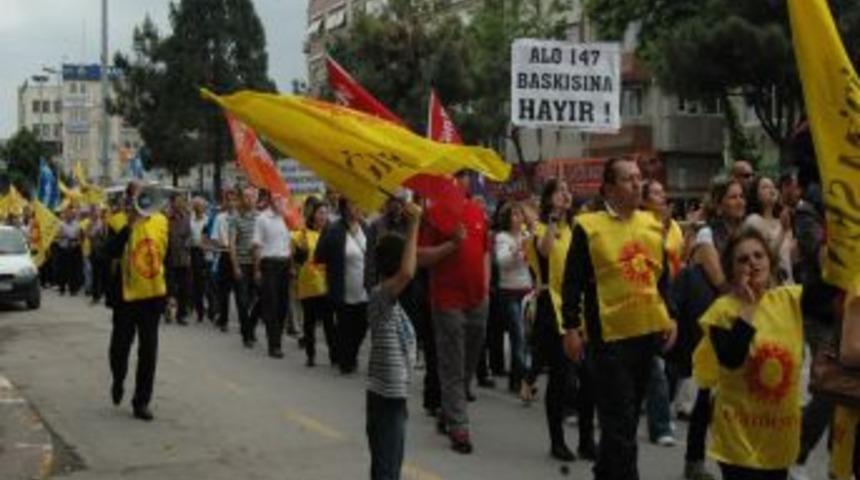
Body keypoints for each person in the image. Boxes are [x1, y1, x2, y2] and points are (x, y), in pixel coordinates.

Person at [561, 157, 678, 480]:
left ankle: (605, 472)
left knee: (623, 420)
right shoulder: (589, 226)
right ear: (609, 188)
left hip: (646, 332)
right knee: (621, 420)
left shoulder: (652, 224)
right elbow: (572, 281)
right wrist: (570, 327)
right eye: (628, 179)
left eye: (639, 178)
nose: (637, 184)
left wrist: (671, 315)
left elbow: (662, 277)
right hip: (608, 339)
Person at [692, 227, 840, 480]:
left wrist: (841, 243)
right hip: (739, 439)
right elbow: (731, 359)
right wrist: (748, 308)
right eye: (743, 259)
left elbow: (830, 287)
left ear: (770, 261)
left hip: (779, 439)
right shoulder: (722, 311)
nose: (752, 263)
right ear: (732, 269)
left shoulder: (790, 299)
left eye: (758, 256)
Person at [417, 170, 490, 454]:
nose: (462, 182)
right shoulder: (433, 214)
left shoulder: (476, 210)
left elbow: (484, 251)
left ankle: (449, 410)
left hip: (477, 300)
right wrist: (451, 245)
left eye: (464, 176)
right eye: (456, 177)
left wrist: (485, 289)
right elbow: (420, 256)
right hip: (447, 301)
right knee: (452, 363)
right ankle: (459, 426)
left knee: (469, 363)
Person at [682, 177, 747, 480]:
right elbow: (719, 280)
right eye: (732, 197)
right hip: (718, 318)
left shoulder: (748, 231)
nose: (739, 201)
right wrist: (743, 299)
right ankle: (694, 460)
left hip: (743, 315)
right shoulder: (708, 233)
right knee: (707, 392)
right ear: (719, 203)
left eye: (741, 197)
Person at [523, 178, 588, 462]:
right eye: (560, 191)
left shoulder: (575, 229)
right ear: (549, 198)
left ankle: (587, 440)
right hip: (551, 308)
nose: (566, 194)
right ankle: (557, 441)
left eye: (567, 190)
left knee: (589, 378)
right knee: (561, 377)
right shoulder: (540, 229)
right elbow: (546, 251)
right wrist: (550, 220)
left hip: (579, 307)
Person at [365, 201, 421, 480]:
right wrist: (414, 226)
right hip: (385, 400)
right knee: (387, 471)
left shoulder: (391, 303)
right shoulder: (380, 297)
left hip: (392, 398)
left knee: (388, 469)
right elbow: (408, 272)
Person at [105, 182, 169, 421]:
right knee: (119, 349)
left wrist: (167, 295)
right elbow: (108, 252)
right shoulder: (117, 221)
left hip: (152, 297)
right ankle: (118, 379)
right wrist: (128, 227)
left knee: (149, 351)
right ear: (129, 198)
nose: (142, 201)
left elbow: (166, 257)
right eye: (137, 195)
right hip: (125, 297)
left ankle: (141, 401)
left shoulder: (162, 221)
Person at [641, 180, 683, 448]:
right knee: (653, 366)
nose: (662, 196)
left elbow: (670, 269)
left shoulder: (673, 226)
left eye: (662, 191)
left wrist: (672, 313)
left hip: (667, 298)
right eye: (655, 193)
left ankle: (660, 415)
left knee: (667, 366)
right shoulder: (639, 226)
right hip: (639, 305)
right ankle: (660, 425)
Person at [316, 198, 370, 373]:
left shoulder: (365, 227)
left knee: (362, 326)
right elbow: (320, 256)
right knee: (346, 327)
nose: (358, 208)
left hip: (365, 289)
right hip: (343, 289)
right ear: (345, 208)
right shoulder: (334, 230)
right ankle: (346, 360)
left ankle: (348, 354)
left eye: (359, 204)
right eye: (354, 204)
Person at [494, 202, 533, 395]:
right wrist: (517, 250)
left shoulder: (526, 236)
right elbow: (502, 262)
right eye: (514, 214)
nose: (519, 217)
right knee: (517, 335)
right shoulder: (502, 238)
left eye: (520, 214)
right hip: (509, 291)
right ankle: (526, 376)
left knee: (525, 337)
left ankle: (515, 379)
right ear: (508, 218)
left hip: (526, 289)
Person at [293, 201, 336, 366]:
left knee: (328, 322)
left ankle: (334, 355)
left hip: (326, 284)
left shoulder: (333, 233)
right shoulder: (302, 234)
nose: (323, 216)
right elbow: (295, 257)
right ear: (313, 215)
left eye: (325, 213)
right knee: (309, 322)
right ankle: (310, 355)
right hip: (308, 284)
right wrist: (298, 255)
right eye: (320, 213)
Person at [252, 189, 292, 359]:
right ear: (270, 200)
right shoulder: (262, 218)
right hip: (269, 264)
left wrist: (291, 265)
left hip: (285, 264)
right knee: (271, 305)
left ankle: (278, 339)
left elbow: (290, 243)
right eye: (277, 199)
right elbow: (257, 245)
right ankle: (273, 345)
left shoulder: (286, 218)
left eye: (282, 199)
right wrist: (257, 269)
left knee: (283, 306)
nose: (280, 201)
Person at [744, 176, 793, 283]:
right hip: (769, 284)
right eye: (765, 187)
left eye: (773, 186)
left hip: (788, 281)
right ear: (756, 195)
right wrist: (783, 232)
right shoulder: (753, 221)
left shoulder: (781, 222)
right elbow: (766, 256)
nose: (771, 190)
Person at [231, 187, 260, 348]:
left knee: (260, 299)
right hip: (242, 263)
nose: (249, 200)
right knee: (242, 301)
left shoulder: (260, 218)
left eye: (252, 197)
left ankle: (251, 325)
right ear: (243, 199)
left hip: (257, 264)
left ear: (256, 199)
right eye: (246, 197)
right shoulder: (236, 218)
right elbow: (232, 244)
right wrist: (235, 266)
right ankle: (247, 334)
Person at [213, 190, 238, 332]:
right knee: (224, 291)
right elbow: (216, 237)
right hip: (225, 254)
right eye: (228, 200)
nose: (231, 203)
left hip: (238, 255)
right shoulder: (220, 218)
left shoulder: (240, 216)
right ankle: (224, 320)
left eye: (233, 200)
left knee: (241, 291)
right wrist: (224, 243)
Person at [166, 194, 192, 325]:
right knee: (170, 288)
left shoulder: (187, 218)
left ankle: (181, 315)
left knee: (184, 288)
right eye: (177, 202)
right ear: (173, 204)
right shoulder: (167, 218)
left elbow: (189, 235)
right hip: (170, 257)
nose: (180, 204)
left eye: (182, 201)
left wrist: (187, 242)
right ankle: (168, 311)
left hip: (184, 258)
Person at [189, 197, 210, 323]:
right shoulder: (190, 220)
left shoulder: (208, 220)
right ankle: (199, 310)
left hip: (206, 253)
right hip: (194, 252)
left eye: (200, 206)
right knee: (197, 284)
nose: (198, 208)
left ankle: (212, 309)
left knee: (209, 283)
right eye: (196, 205)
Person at [56, 205, 83, 295]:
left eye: (70, 213)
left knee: (73, 270)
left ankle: (73, 289)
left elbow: (78, 236)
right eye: (67, 213)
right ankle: (62, 288)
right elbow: (59, 235)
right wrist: (65, 235)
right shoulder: (61, 224)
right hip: (63, 248)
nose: (69, 215)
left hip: (73, 248)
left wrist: (74, 240)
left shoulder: (77, 224)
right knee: (62, 270)